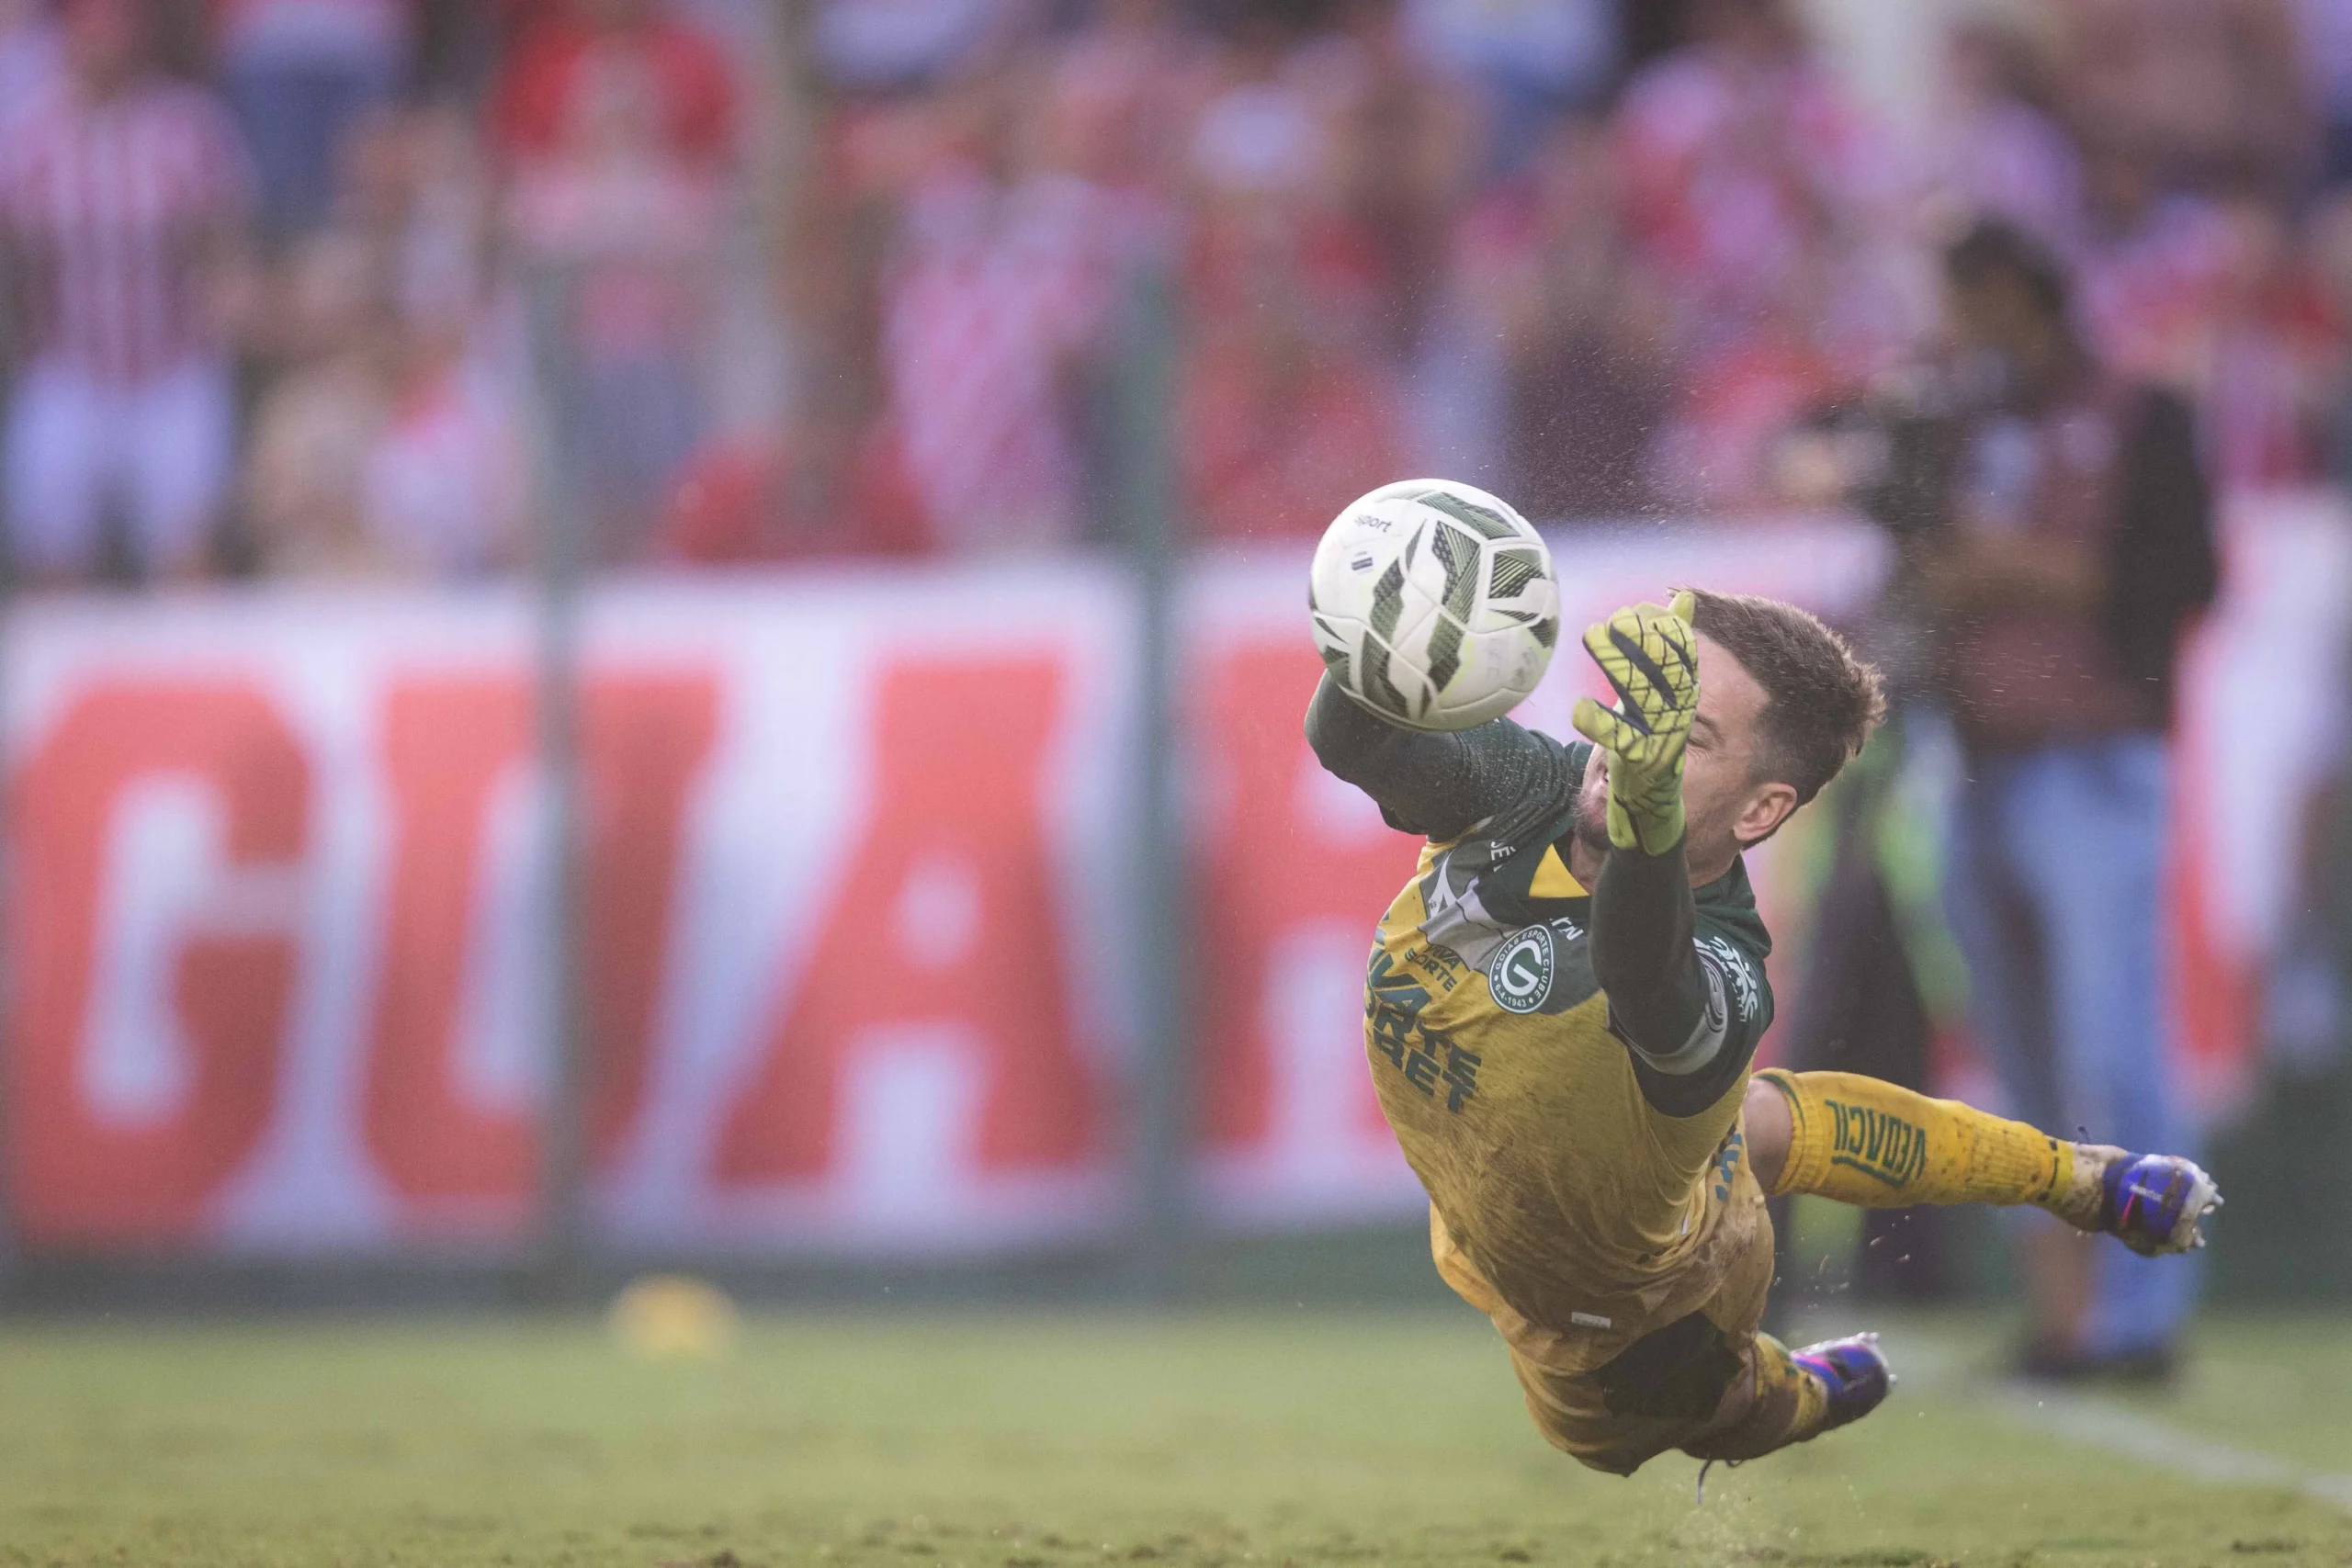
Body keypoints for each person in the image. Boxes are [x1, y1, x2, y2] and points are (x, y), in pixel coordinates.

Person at [1306, 588, 2219, 1475]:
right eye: (1639, 709)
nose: (1630, 747)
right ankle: (2080, 1178)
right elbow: (1347, 737)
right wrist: (1379, 624)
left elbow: (1636, 968)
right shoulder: (1525, 788)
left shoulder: (1724, 965)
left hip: (1637, 1319)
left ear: (1757, 811)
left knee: (1716, 1392)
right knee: (1756, 1128)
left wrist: (1644, 822)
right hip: (1512, 1213)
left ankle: (1815, 1381)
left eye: (1683, 738)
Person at [1922, 220, 2222, 1381]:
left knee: (2111, 1046)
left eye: (1965, 304)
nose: (1953, 331)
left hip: (2095, 757)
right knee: (2020, 1063)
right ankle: (2062, 1315)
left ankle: (2145, 1318)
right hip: (1976, 758)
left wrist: (2011, 567)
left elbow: (2185, 577)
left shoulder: (2143, 414)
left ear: (2009, 293)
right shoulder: (1951, 421)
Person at [0, 0, 255, 585]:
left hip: (172, 367)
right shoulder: (28, 135)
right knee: (50, 557)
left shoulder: (188, 127)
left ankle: (191, 672)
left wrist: (229, 302)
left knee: (188, 557)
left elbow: (225, 242)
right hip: (69, 366)